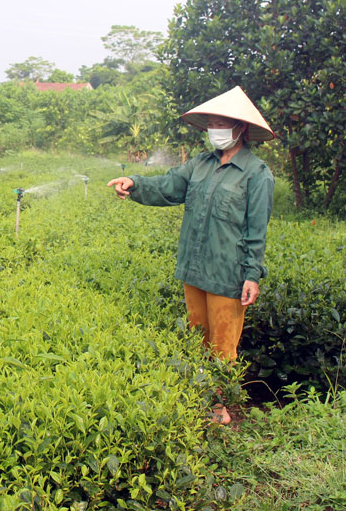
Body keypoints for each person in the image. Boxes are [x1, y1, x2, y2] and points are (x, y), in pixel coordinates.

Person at [107, 86, 275, 425]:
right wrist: (134, 183)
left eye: (220, 123)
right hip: (195, 268)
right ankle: (199, 398)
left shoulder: (257, 175)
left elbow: (257, 231)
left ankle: (219, 410)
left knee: (223, 346)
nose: (214, 129)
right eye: (210, 123)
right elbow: (169, 186)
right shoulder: (200, 164)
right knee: (197, 337)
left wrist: (252, 274)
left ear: (240, 129)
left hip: (228, 274)